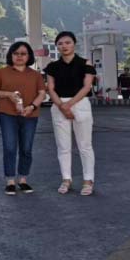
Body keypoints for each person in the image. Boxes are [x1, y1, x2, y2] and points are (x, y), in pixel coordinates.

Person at [0, 42, 47, 196]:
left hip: (30, 115)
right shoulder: (2, 72)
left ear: (29, 56)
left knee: (26, 148)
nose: (19, 56)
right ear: (11, 55)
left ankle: (23, 179)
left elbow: (42, 93)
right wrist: (8, 95)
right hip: (7, 114)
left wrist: (32, 107)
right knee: (10, 147)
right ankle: (10, 181)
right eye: (16, 53)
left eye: (23, 53)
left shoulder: (35, 75)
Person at [44, 32, 97, 196]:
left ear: (74, 44)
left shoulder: (85, 63)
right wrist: (62, 105)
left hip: (80, 104)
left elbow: (87, 87)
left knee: (85, 146)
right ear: (57, 46)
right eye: (60, 44)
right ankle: (66, 179)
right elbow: (50, 88)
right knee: (63, 146)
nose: (64, 46)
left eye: (67, 42)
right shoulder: (52, 67)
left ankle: (88, 180)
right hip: (58, 105)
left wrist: (69, 104)